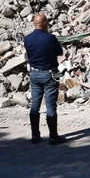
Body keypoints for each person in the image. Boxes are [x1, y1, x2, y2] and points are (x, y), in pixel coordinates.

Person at [24, 14, 66, 145]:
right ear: (45, 23)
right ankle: (53, 137)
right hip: (49, 74)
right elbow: (60, 52)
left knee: (35, 105)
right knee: (50, 106)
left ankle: (35, 135)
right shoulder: (50, 38)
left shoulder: (27, 39)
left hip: (34, 75)